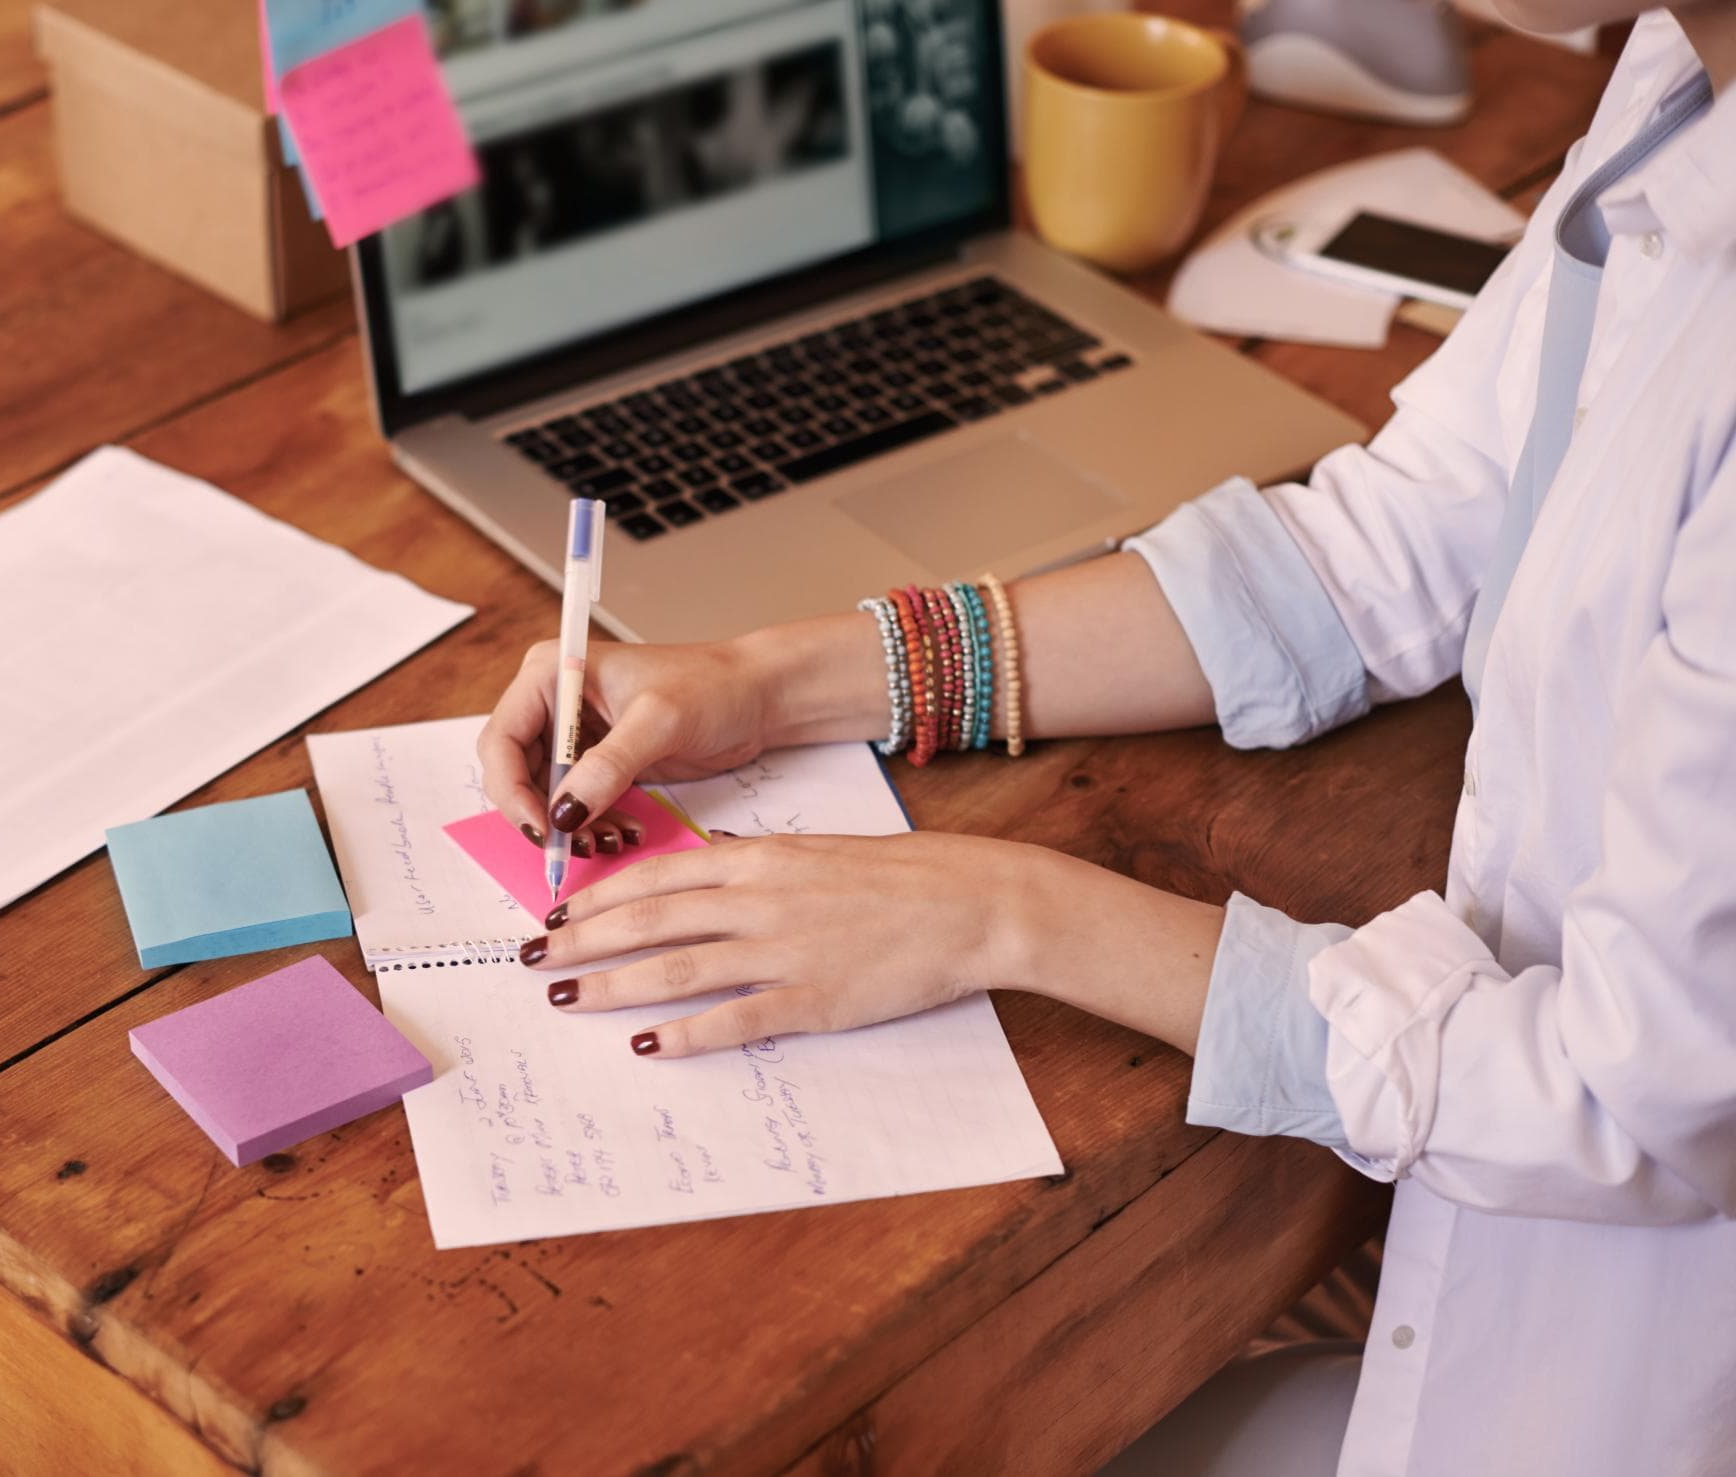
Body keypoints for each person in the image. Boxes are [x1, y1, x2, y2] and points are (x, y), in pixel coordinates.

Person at [475, 7, 1736, 1474]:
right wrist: (788, 675)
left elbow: (1627, 1096)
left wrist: (1004, 907)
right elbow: (1394, 541)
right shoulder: (1679, 80)